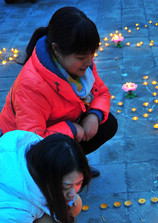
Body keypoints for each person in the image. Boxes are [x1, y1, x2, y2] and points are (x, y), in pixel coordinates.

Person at [0, 6, 118, 177]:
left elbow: (102, 93)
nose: (89, 62)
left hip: (58, 129)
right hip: (21, 148)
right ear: (56, 49)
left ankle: (70, 166)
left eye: (92, 55)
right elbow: (31, 142)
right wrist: (71, 129)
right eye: (81, 58)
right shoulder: (32, 85)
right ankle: (58, 175)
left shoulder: (82, 67)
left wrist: (94, 115)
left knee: (107, 124)